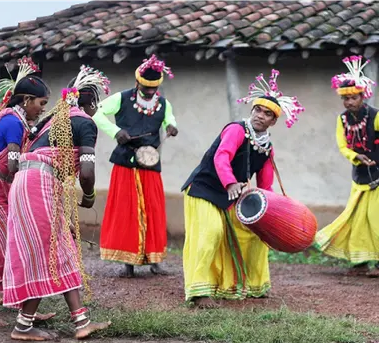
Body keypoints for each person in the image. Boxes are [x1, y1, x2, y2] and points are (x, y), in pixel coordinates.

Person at [2, 65, 111, 341]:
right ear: (91, 101)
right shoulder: (85, 123)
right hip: (39, 186)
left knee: (62, 248)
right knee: (49, 251)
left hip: (26, 185)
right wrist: (88, 197)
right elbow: (86, 173)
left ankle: (81, 321)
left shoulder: (49, 121)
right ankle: (23, 326)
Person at [182, 69, 304, 308]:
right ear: (252, 111)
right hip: (203, 189)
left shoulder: (267, 147)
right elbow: (221, 157)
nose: (260, 115)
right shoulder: (236, 130)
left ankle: (256, 285)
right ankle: (198, 291)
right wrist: (230, 182)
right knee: (210, 234)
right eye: (258, 110)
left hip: (231, 195)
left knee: (256, 235)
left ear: (274, 121)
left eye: (267, 114)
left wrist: (270, 216)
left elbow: (265, 185)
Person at [0, 57, 50, 326]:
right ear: (26, 100)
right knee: (1, 246)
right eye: (41, 104)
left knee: (5, 244)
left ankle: (23, 308)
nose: (42, 110)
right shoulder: (13, 123)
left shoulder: (7, 119)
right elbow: (11, 161)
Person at [93, 54, 178, 278]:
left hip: (149, 163)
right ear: (137, 82)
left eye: (154, 88)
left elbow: (170, 118)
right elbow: (97, 113)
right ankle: (127, 264)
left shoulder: (163, 104)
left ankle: (155, 261)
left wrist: (171, 126)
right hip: (125, 163)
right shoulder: (121, 98)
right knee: (126, 210)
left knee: (154, 210)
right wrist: (115, 132)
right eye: (146, 87)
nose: (150, 92)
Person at [315, 56, 379, 276]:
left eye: (353, 98)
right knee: (356, 219)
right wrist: (356, 157)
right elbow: (342, 146)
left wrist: (374, 158)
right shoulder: (342, 120)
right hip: (359, 176)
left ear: (363, 96)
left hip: (377, 176)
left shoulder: (376, 116)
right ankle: (360, 260)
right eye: (346, 99)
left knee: (375, 219)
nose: (349, 102)